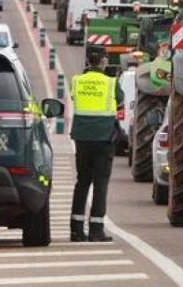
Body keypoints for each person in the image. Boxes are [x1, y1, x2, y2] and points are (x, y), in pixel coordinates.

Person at [69, 50, 123, 242]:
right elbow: (121, 101)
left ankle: (76, 230)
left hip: (82, 138)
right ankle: (96, 230)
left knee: (82, 181)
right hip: (103, 138)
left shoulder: (77, 80)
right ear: (103, 61)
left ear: (87, 61)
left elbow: (75, 98)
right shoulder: (110, 82)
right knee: (100, 183)